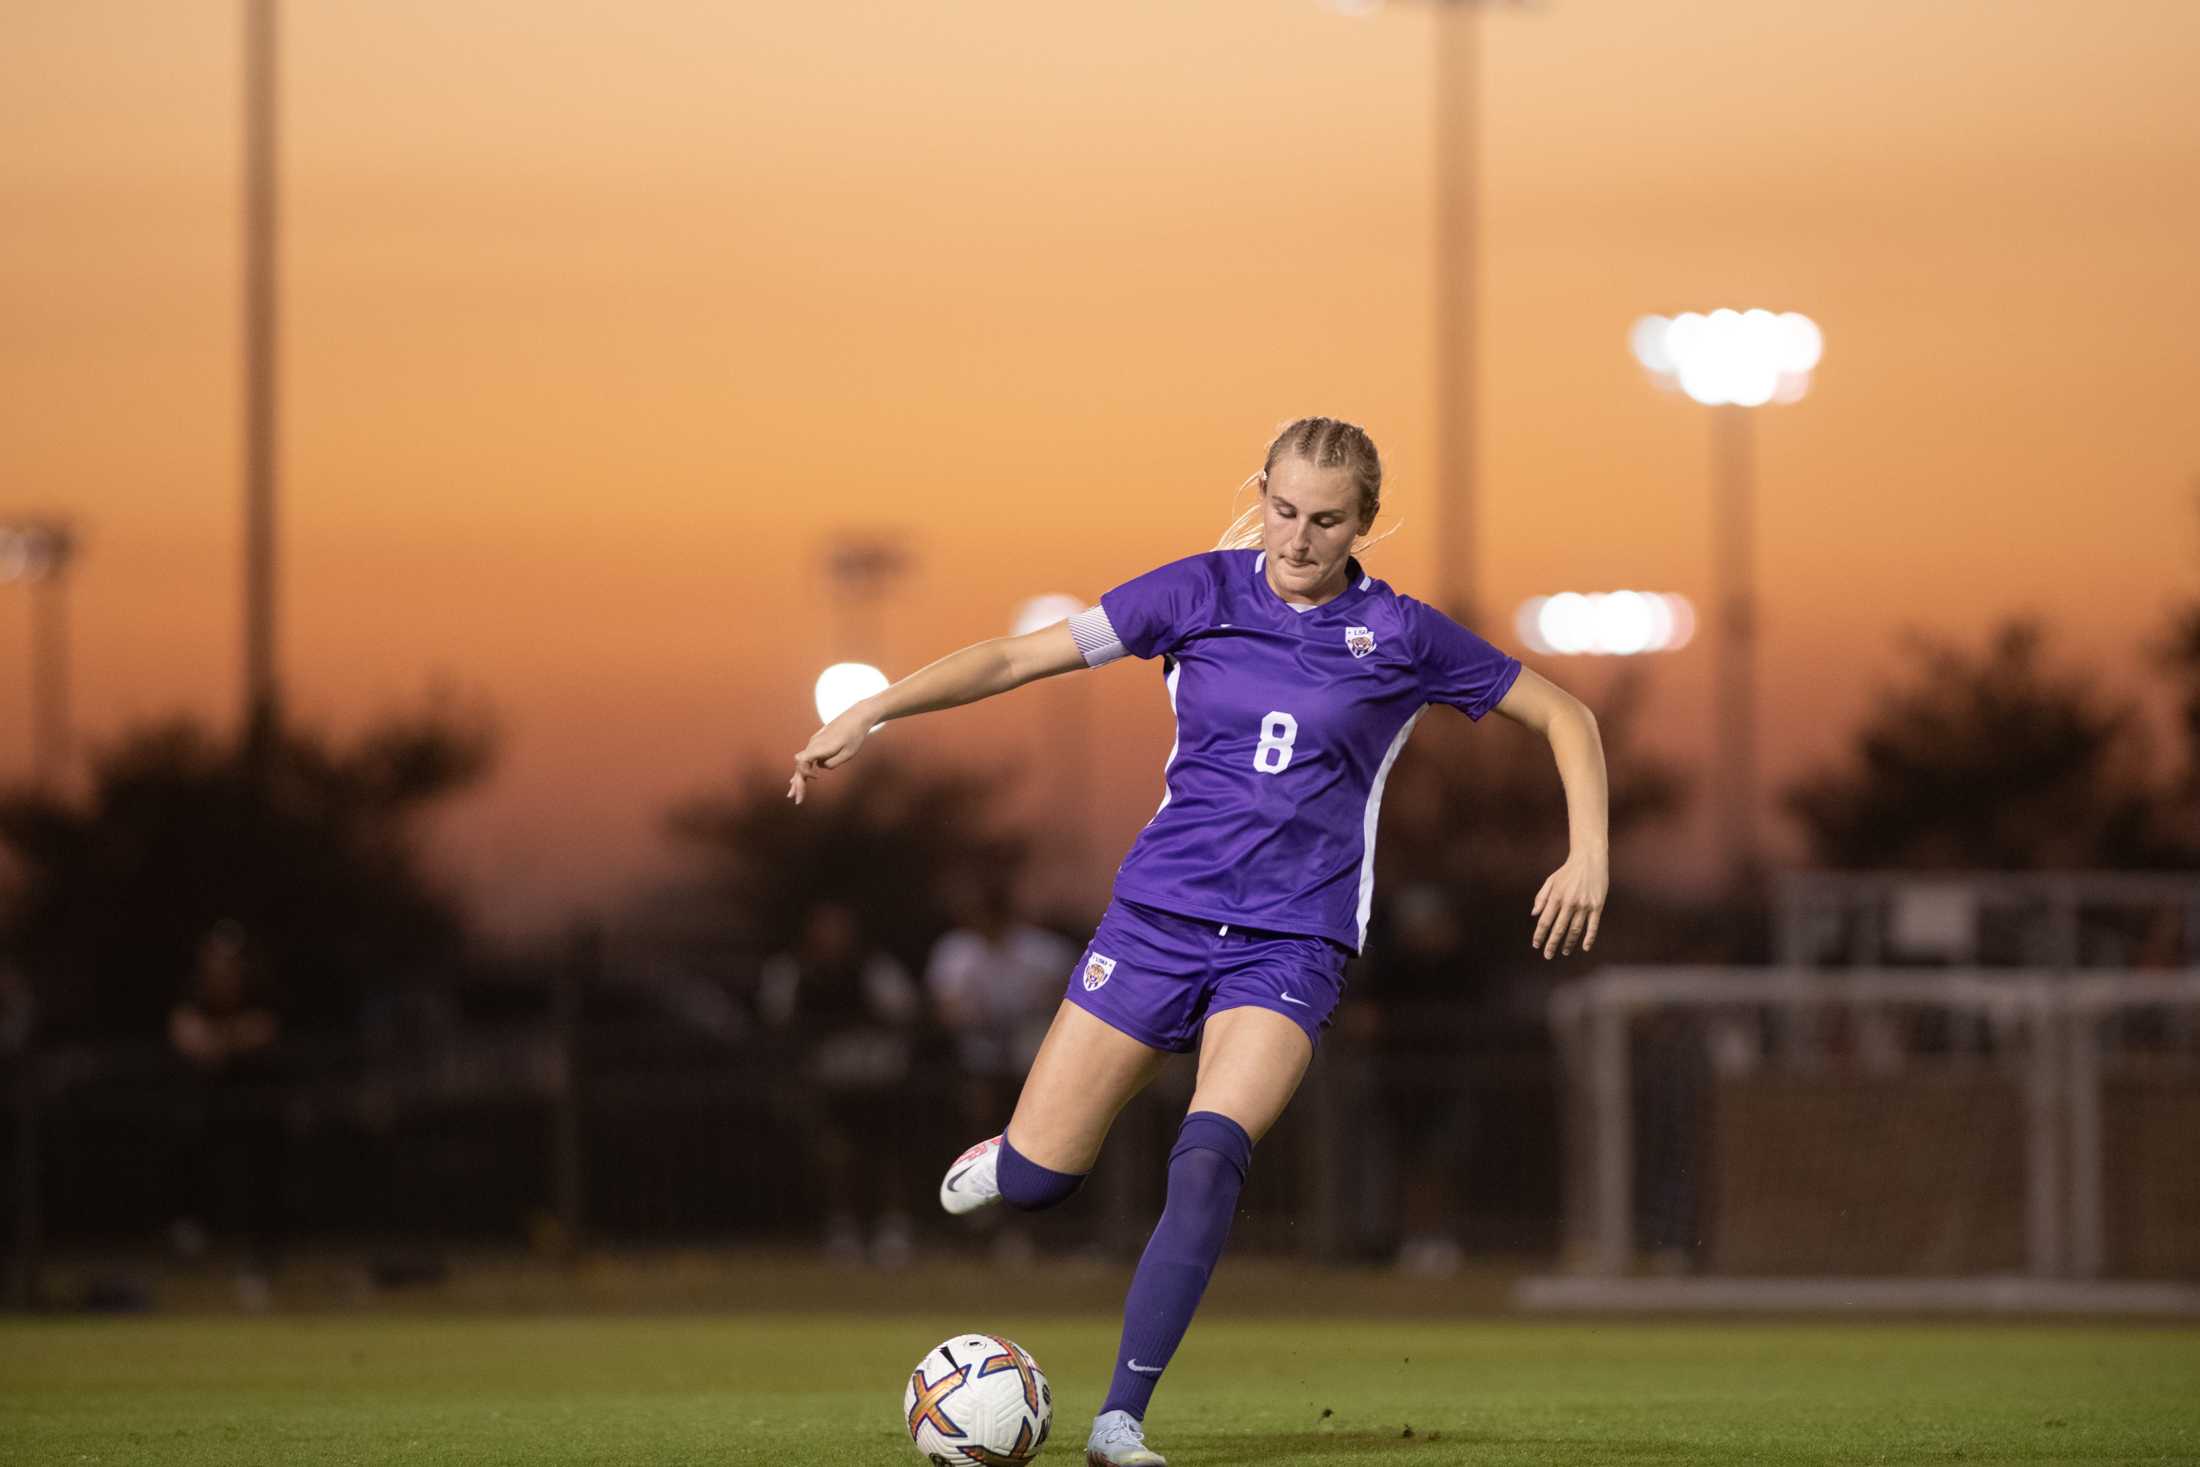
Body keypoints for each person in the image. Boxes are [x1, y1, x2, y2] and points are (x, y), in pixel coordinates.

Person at [791, 417, 1609, 1467]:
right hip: (1157, 923)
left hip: (1293, 943)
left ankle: (1120, 1422)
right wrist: (875, 710)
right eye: (1282, 510)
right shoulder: (1196, 592)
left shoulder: (1401, 633)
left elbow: (1567, 718)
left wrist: (1586, 854)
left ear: (1364, 522)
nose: (1298, 538)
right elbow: (1015, 655)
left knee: (1210, 1154)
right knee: (1040, 1184)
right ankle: (1016, 1156)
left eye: (1325, 520)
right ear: (1258, 492)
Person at [756, 899, 924, 1267]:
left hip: (875, 1076)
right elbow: (777, 1024)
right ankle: (842, 1229)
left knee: (884, 1151)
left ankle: (891, 1230)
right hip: (824, 1078)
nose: (833, 936)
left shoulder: (874, 968)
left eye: (840, 927)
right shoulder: (791, 971)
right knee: (834, 1154)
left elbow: (904, 1012)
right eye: (824, 927)